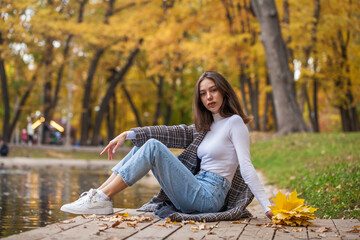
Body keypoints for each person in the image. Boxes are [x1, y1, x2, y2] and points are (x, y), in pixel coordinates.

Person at [61, 71, 273, 221]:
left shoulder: (234, 123)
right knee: (144, 146)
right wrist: (128, 134)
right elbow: (171, 132)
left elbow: (246, 166)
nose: (208, 97)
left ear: (224, 92)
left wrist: (267, 206)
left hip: (210, 196)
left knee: (152, 146)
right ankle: (99, 196)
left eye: (213, 90)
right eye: (203, 93)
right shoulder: (205, 127)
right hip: (195, 187)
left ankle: (102, 198)